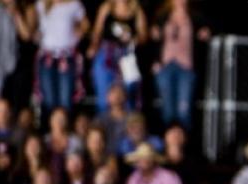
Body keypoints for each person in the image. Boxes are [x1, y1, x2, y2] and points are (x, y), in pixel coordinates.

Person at [150, 0, 209, 129]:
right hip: (165, 65)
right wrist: (156, 62)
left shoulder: (196, 17)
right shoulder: (162, 16)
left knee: (184, 109)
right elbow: (155, 40)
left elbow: (206, 34)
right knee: (167, 109)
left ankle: (183, 144)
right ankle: (169, 143)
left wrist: (206, 34)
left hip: (186, 67)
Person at [31, 0, 88, 119]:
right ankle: (50, 132)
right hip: (47, 56)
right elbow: (34, 27)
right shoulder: (41, 4)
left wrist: (79, 33)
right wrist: (36, 34)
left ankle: (65, 130)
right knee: (48, 98)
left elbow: (86, 25)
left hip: (66, 56)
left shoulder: (74, 4)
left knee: (65, 98)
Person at [86, 0, 145, 113]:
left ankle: (128, 125)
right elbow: (97, 31)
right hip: (106, 54)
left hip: (127, 56)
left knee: (128, 93)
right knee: (104, 94)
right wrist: (93, 46)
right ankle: (104, 124)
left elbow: (143, 35)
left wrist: (134, 40)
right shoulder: (107, 7)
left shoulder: (136, 9)